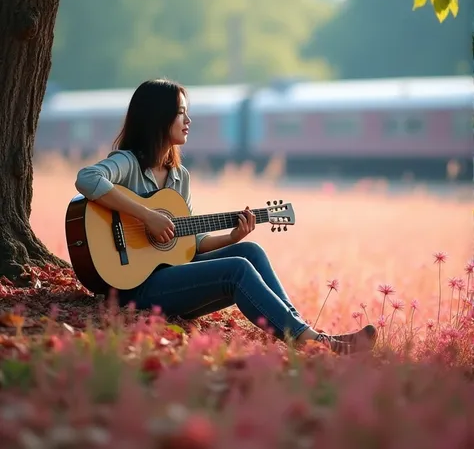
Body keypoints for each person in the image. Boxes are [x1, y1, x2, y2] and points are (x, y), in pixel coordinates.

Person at [75, 78, 377, 354]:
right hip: (133, 286)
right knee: (237, 269)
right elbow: (87, 179)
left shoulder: (180, 177)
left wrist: (231, 237)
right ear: (158, 116)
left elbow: (190, 241)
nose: (188, 120)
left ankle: (308, 333)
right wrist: (146, 215)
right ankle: (312, 341)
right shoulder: (127, 163)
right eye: (181, 113)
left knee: (249, 250)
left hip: (174, 278)